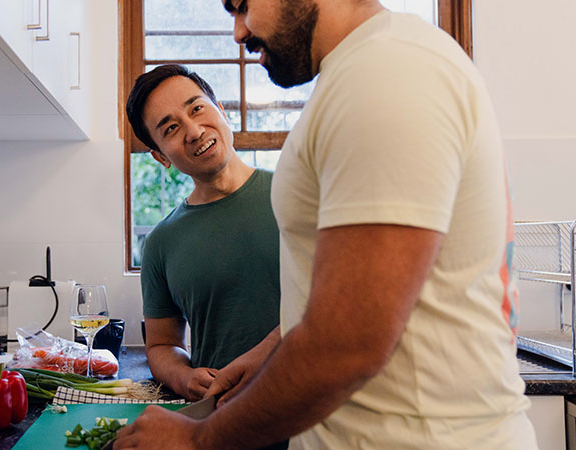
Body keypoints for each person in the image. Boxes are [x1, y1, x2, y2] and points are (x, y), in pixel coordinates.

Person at [114, 0, 537, 449]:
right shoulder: (366, 72)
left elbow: (349, 340)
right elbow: (329, 307)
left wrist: (199, 440)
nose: (238, 33)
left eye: (241, 6)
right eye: (170, 128)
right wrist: (263, 359)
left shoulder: (385, 75)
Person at [126, 65, 283, 404]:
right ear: (160, 157)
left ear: (221, 111)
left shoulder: (298, 195)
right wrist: (183, 377)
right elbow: (161, 344)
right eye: (171, 128)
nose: (194, 131)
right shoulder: (160, 243)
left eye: (197, 108)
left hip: (319, 413)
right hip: (223, 419)